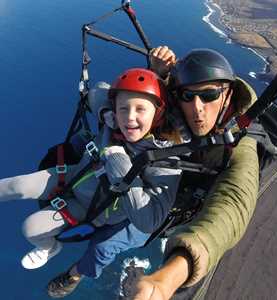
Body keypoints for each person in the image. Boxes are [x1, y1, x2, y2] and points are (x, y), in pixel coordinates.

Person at [0, 68, 182, 297]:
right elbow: (98, 91)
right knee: (17, 185)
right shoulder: (114, 122)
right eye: (123, 108)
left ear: (157, 113)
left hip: (91, 209)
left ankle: (50, 247)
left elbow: (149, 220)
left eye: (140, 109)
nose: (130, 117)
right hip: (74, 176)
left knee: (30, 228)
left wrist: (119, 162)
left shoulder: (163, 158)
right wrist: (107, 110)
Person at [127, 46, 260, 300]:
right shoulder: (181, 109)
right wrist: (160, 74)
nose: (197, 108)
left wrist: (167, 280)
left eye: (209, 95)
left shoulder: (242, 141)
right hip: (160, 192)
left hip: (183, 209)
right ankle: (77, 272)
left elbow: (234, 201)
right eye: (188, 96)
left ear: (228, 95)